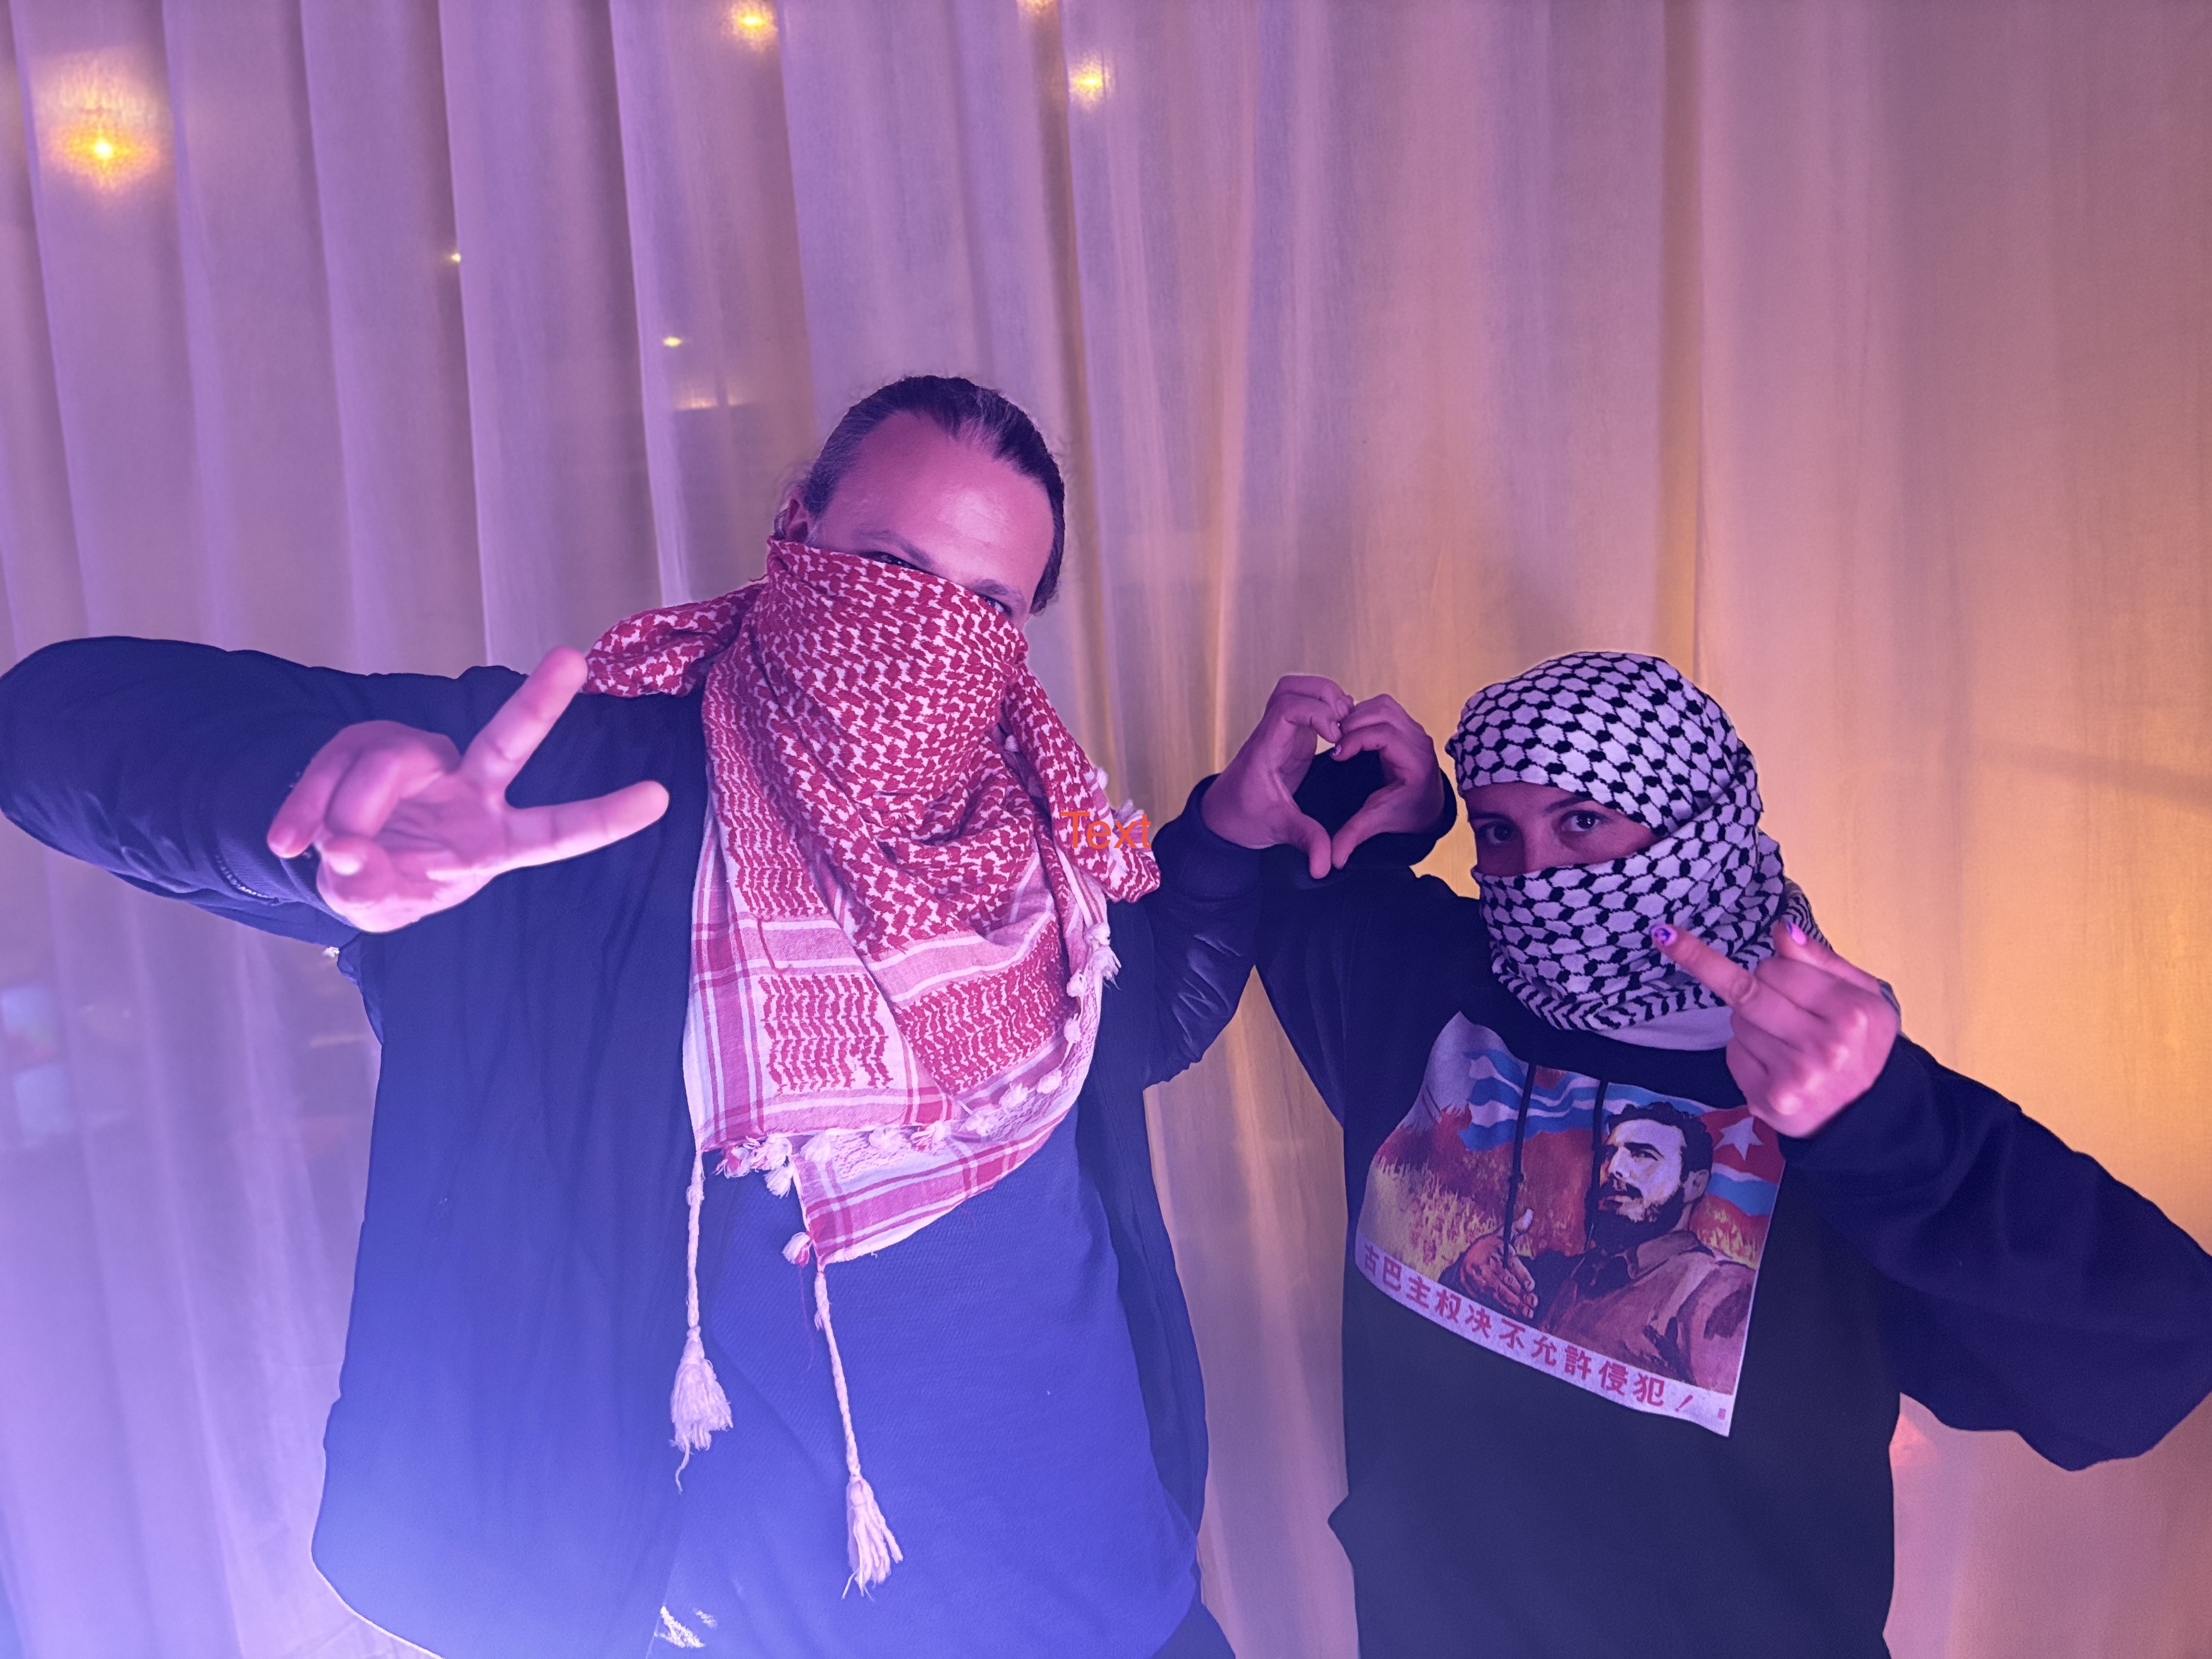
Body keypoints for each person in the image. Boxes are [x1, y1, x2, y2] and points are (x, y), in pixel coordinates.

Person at [0, 377, 1434, 1659]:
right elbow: (54, 723)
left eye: (987, 608)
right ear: (794, 524)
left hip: (1117, 1597)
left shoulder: (1032, 826)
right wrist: (324, 786)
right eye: (892, 564)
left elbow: (1124, 1046)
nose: (930, 633)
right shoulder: (568, 793)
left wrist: (1232, 835)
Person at [1203, 649, 2212, 1658]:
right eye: (1500, 832)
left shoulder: (1819, 1090)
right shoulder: (1430, 988)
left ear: (1695, 831)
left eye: (1584, 822)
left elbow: (2146, 1355)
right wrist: (1377, 802)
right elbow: (1300, 884)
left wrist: (1892, 1127)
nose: (1539, 876)